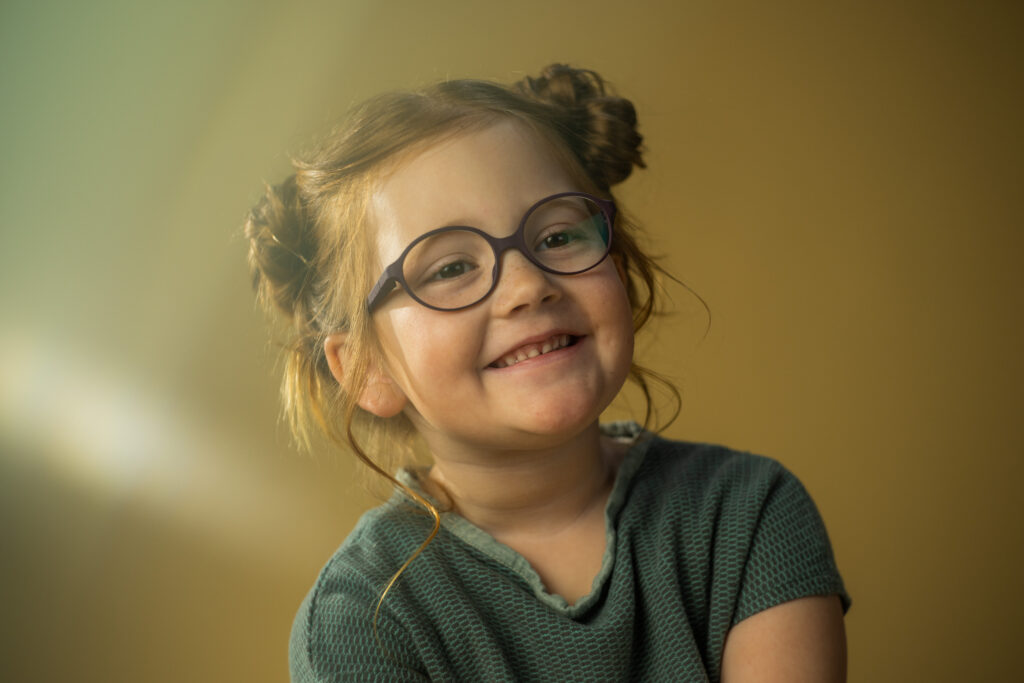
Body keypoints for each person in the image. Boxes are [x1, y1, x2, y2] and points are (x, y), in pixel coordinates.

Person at [245, 64, 850, 682]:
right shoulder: (360, 621)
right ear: (365, 369)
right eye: (451, 269)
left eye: (558, 235)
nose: (528, 286)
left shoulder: (747, 513)